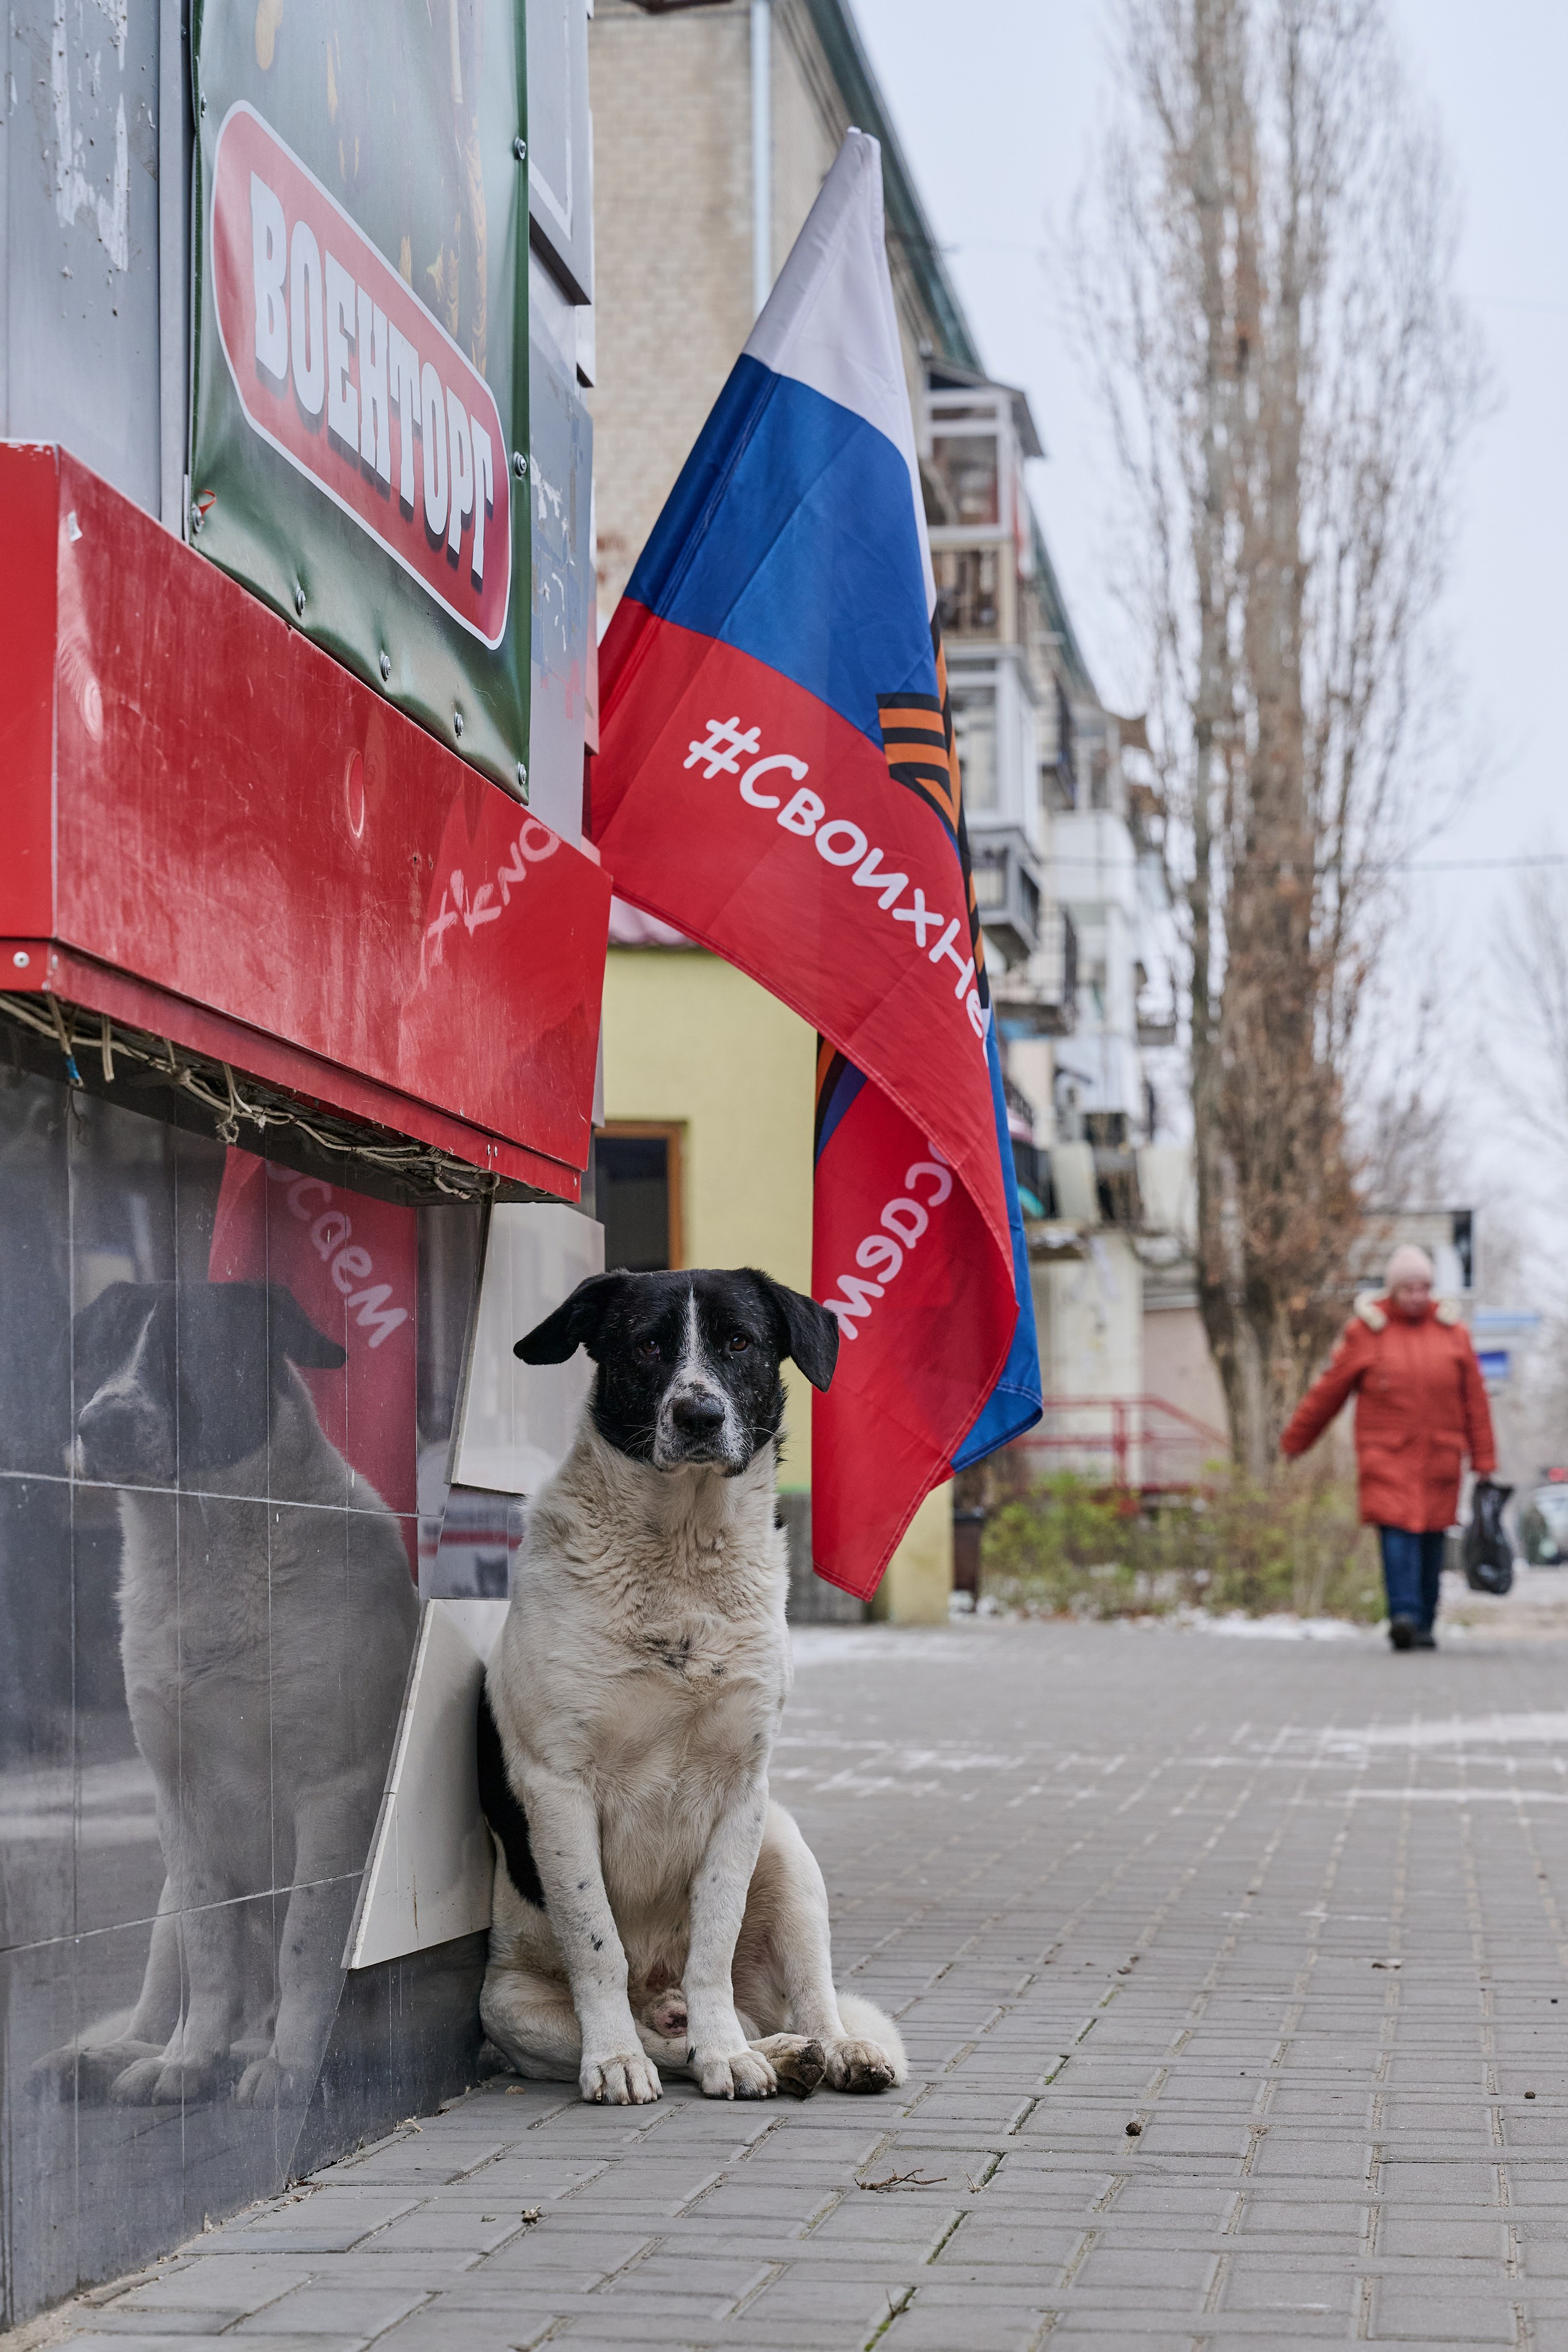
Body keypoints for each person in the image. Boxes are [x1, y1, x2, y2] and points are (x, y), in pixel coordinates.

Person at [1280, 1244, 1497, 1651]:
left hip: (1440, 1456)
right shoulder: (1366, 1333)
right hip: (1387, 1455)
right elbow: (1330, 1391)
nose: (1417, 1296)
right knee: (1397, 1535)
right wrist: (1297, 1440)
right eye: (1409, 1288)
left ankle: (1427, 1621)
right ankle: (1404, 1615)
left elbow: (1476, 1401)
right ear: (1393, 1289)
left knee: (1432, 1539)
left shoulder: (1454, 1333)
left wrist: (1484, 1458)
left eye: (1424, 1288)